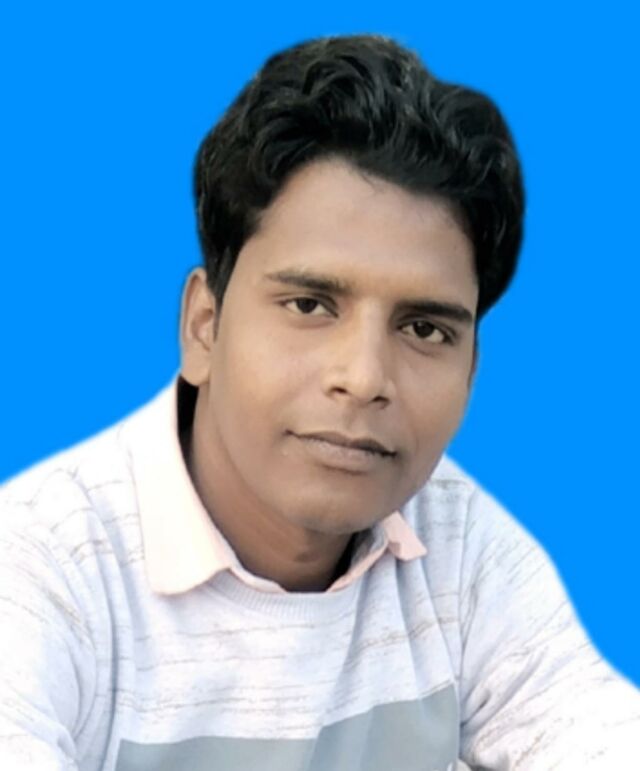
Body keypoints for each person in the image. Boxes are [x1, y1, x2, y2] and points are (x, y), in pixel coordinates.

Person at [0, 34, 637, 771]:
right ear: (204, 326)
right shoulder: (44, 569)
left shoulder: (459, 549)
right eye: (309, 305)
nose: (364, 377)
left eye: (424, 328)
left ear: (470, 372)